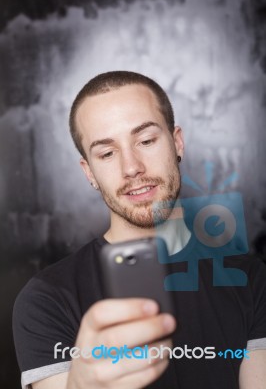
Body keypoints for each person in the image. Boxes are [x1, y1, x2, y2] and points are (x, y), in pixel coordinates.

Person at [13, 71, 266, 389]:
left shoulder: (252, 279)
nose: (131, 167)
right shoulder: (47, 300)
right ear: (89, 172)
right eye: (107, 153)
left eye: (146, 141)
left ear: (177, 143)